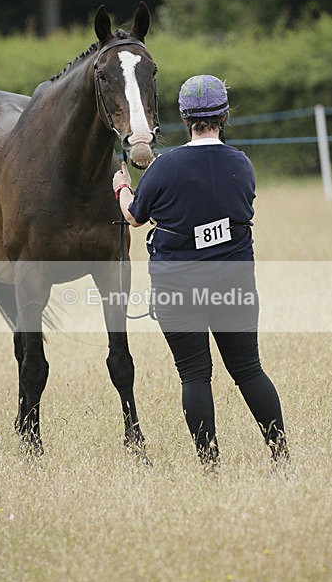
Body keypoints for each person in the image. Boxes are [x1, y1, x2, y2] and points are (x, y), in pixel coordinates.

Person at [112, 74, 289, 470]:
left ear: (184, 116)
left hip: (178, 289)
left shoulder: (164, 167)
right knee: (248, 370)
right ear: (223, 115)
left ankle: (210, 466)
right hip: (235, 285)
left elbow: (134, 218)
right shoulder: (241, 163)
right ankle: (281, 456)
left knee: (194, 376)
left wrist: (123, 186)